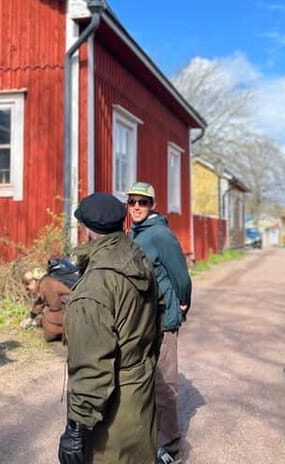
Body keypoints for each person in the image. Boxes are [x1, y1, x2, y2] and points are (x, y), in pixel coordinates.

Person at [58, 192, 161, 464]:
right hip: (140, 386)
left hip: (114, 408)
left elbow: (93, 365)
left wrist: (76, 429)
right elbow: (154, 319)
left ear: (86, 229)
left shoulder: (95, 288)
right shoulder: (136, 256)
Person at [127, 181, 191, 464]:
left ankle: (171, 445)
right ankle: (152, 435)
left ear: (152, 205)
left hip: (164, 317)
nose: (137, 207)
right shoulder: (136, 233)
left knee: (165, 381)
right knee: (147, 378)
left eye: (143, 202)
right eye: (132, 202)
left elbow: (181, 275)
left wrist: (184, 301)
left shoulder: (160, 235)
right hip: (144, 318)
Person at [22, 259, 77, 341]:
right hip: (68, 309)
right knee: (47, 318)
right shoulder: (42, 284)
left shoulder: (47, 285)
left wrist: (38, 322)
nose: (27, 289)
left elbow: (55, 308)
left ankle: (68, 332)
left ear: (34, 281)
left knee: (47, 319)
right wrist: (30, 318)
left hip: (74, 310)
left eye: (27, 285)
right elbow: (39, 303)